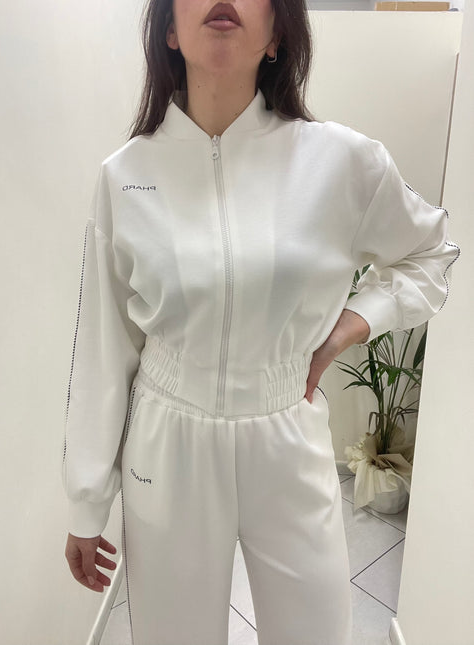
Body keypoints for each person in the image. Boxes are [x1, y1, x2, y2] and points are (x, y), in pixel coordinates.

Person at [62, 1, 460, 644]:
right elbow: (103, 348)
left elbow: (429, 253)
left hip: (287, 427)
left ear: (278, 34)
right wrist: (86, 501)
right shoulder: (125, 177)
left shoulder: (342, 161)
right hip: (169, 439)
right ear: (169, 30)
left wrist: (351, 325)